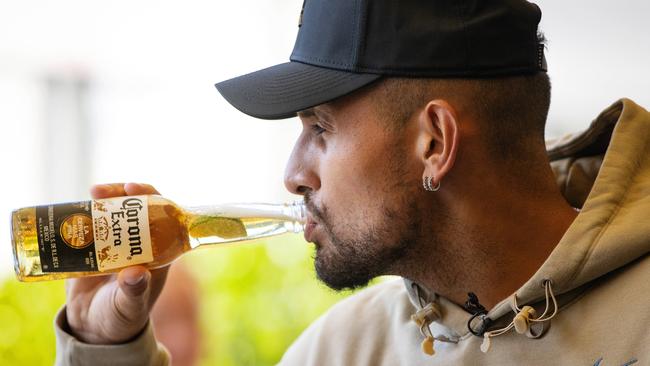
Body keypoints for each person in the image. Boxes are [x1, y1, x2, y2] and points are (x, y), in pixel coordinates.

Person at [55, 0, 650, 365]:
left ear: (435, 142)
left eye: (320, 128)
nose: (292, 175)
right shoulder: (341, 350)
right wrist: (104, 348)